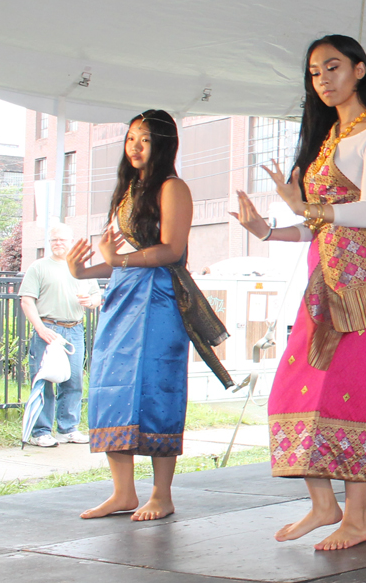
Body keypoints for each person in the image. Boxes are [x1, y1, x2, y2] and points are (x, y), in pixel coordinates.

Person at [230, 34, 366, 551]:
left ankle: (357, 518)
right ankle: (323, 503)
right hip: (323, 282)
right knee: (291, 386)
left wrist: (306, 206)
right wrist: (267, 230)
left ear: (359, 69)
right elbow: (318, 227)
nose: (322, 79)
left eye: (332, 67)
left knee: (351, 393)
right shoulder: (329, 138)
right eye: (313, 72)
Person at [66, 110, 231, 522]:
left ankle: (162, 494)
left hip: (158, 297)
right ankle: (123, 493)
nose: (136, 147)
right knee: (111, 386)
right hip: (122, 299)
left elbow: (171, 250)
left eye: (145, 139)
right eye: (131, 139)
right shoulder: (127, 191)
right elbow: (118, 260)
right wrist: (84, 271)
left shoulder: (172, 187)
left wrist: (118, 260)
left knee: (156, 388)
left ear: (164, 144)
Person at [19, 222, 101, 447]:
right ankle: (41, 432)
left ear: (71, 242)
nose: (57, 243)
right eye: (54, 239)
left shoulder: (81, 267)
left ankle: (68, 429)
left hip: (74, 329)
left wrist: (90, 301)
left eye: (62, 240)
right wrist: (40, 329)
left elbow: (96, 297)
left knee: (74, 380)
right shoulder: (38, 267)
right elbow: (27, 301)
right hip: (48, 328)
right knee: (45, 379)